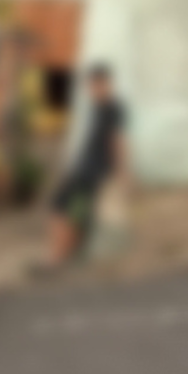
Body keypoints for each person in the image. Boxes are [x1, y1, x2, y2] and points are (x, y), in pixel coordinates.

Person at [47, 64, 127, 266]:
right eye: (91, 85)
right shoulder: (98, 108)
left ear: (106, 84)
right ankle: (69, 255)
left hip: (92, 173)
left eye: (97, 84)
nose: (93, 89)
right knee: (78, 213)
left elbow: (117, 141)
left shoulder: (112, 109)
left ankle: (59, 257)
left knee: (63, 208)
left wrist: (122, 173)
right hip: (84, 170)